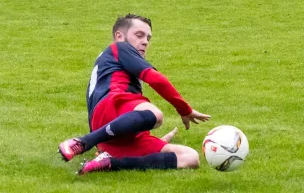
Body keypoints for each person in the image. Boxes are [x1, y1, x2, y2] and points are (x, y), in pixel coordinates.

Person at [58, 14, 210, 175]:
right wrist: (184, 109)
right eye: (139, 35)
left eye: (148, 38)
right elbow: (156, 80)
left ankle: (110, 163)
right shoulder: (120, 48)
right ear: (119, 36)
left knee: (190, 158)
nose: (145, 41)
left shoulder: (109, 63)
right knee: (155, 115)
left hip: (111, 133)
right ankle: (82, 142)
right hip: (111, 104)